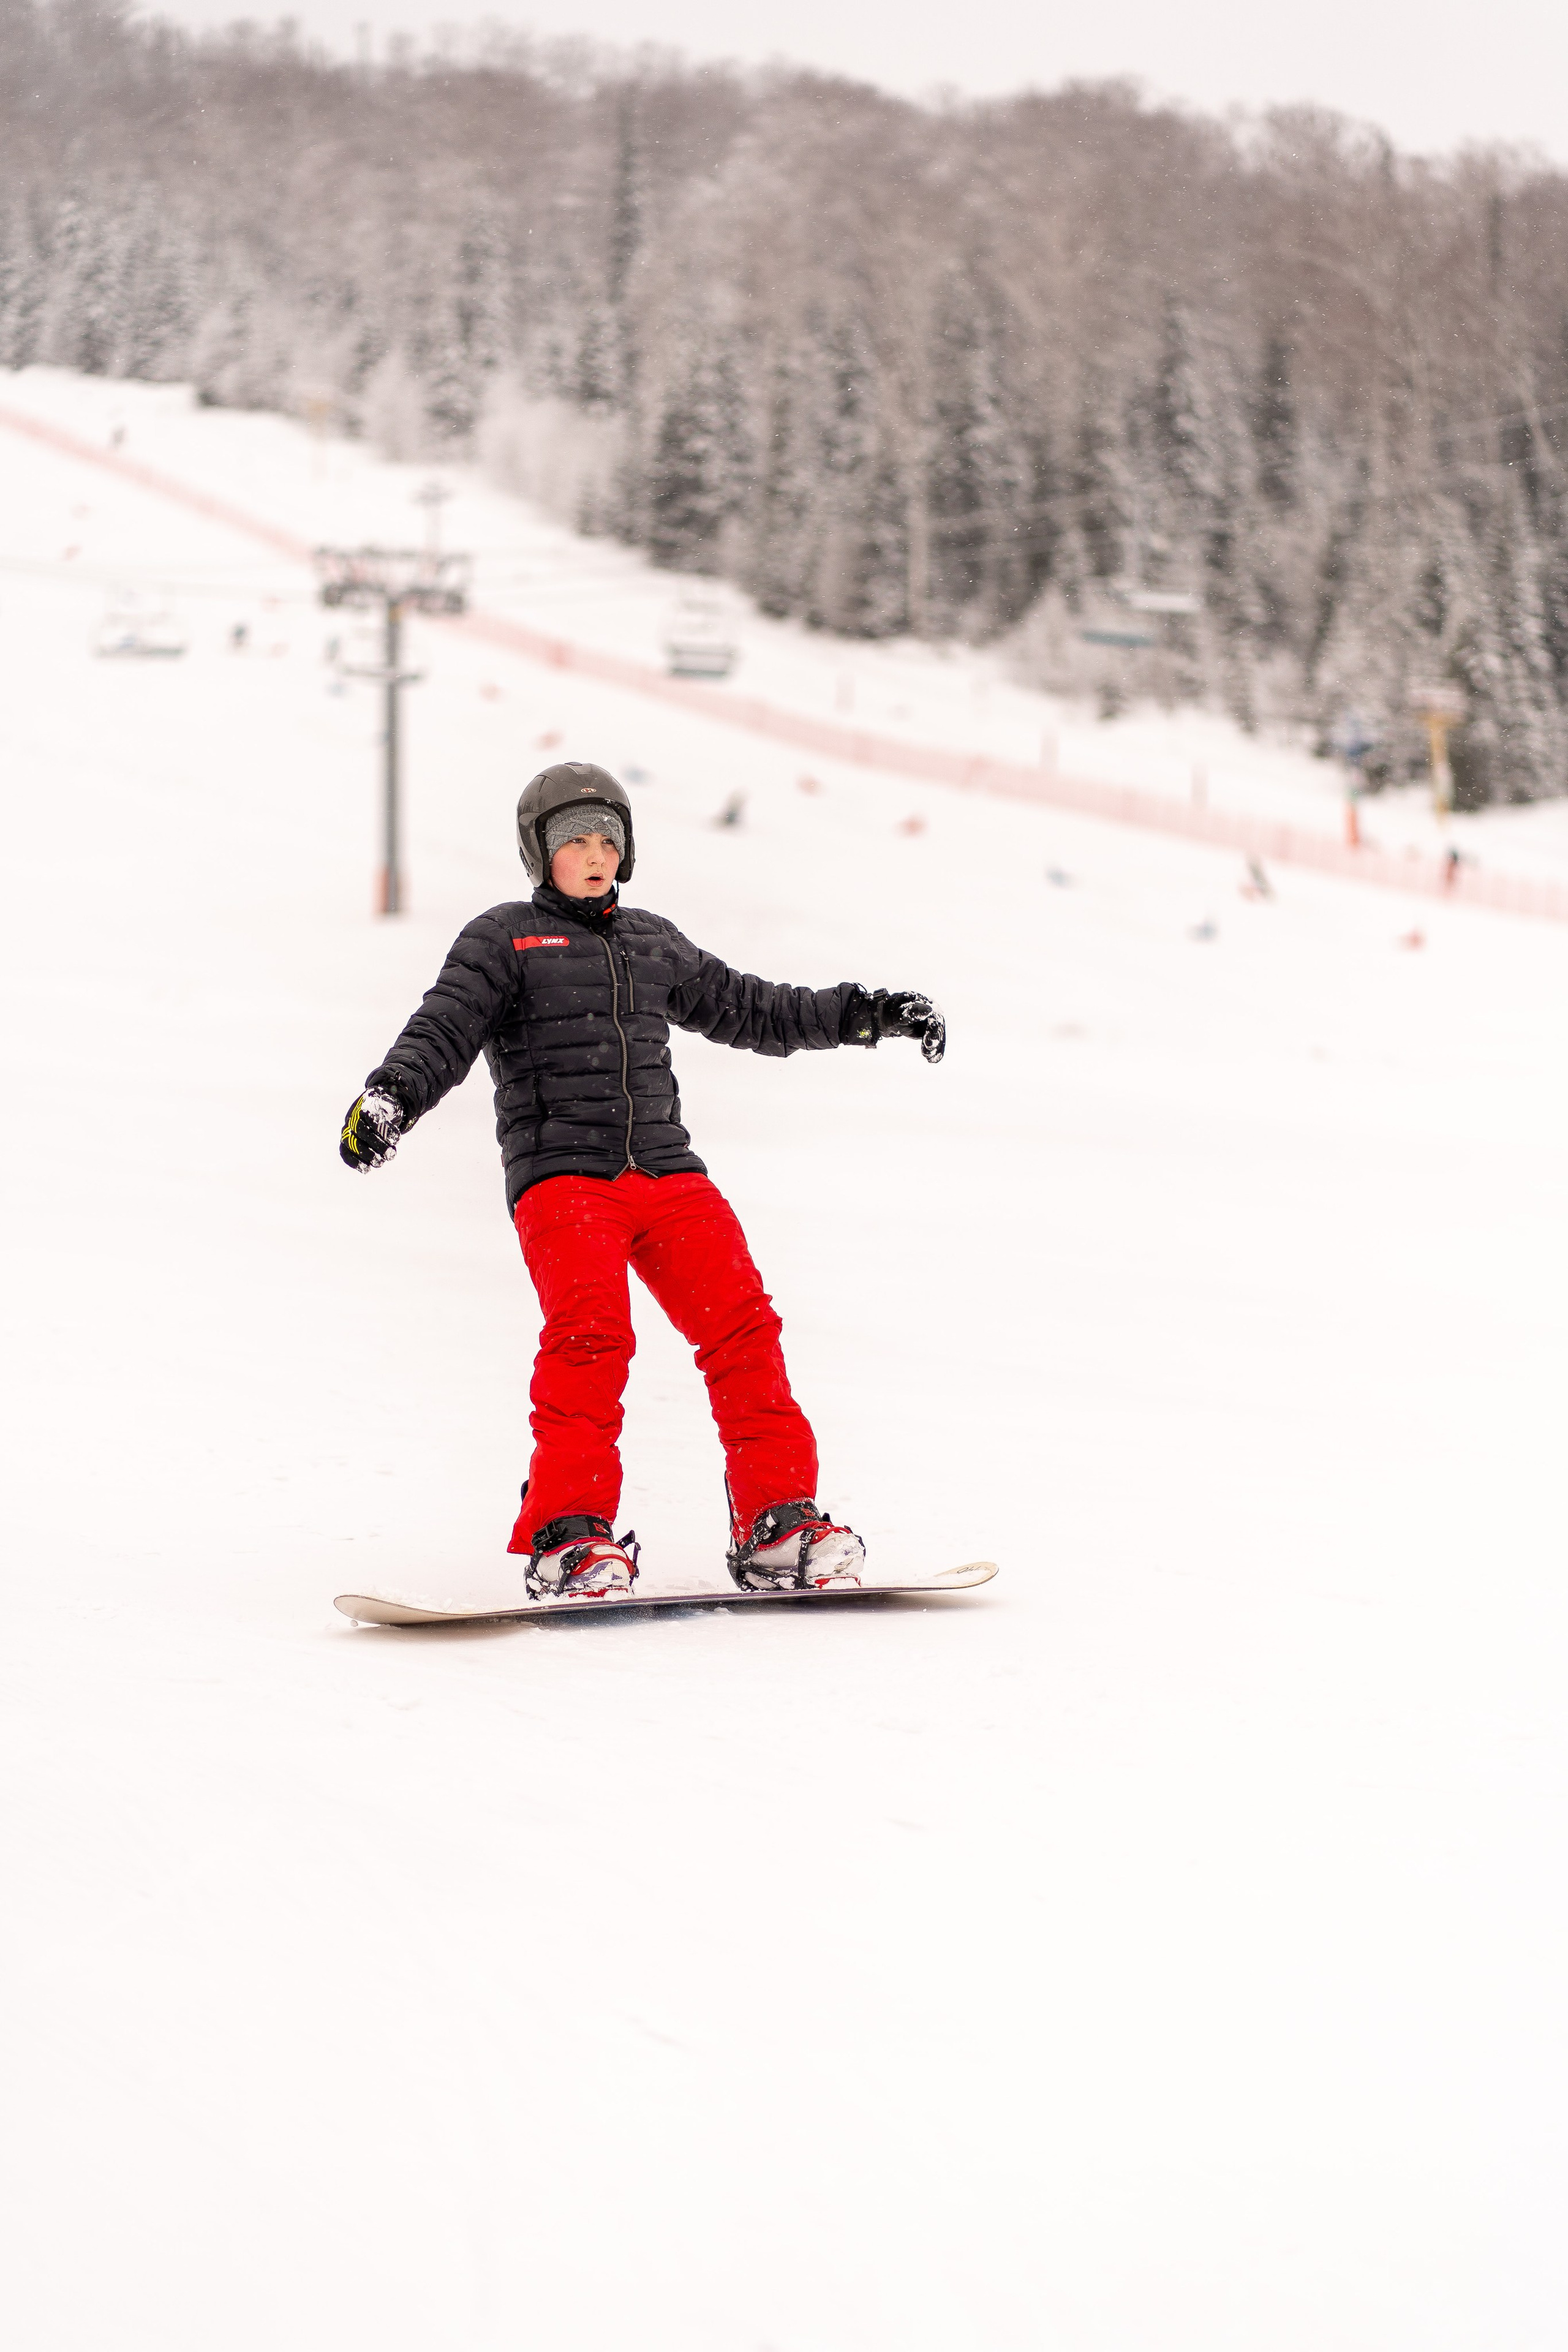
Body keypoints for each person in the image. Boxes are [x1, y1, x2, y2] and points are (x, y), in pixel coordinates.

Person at [339, 761, 944, 1604]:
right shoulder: (505, 938)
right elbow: (442, 1028)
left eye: (609, 841)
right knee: (592, 1336)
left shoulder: (652, 941)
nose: (595, 855)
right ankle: (570, 1534)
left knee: (744, 1328)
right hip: (563, 1178)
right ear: (537, 853)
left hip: (666, 1172)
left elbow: (756, 1008)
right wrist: (391, 1097)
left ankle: (777, 1522)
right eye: (575, 841)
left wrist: (863, 1013)